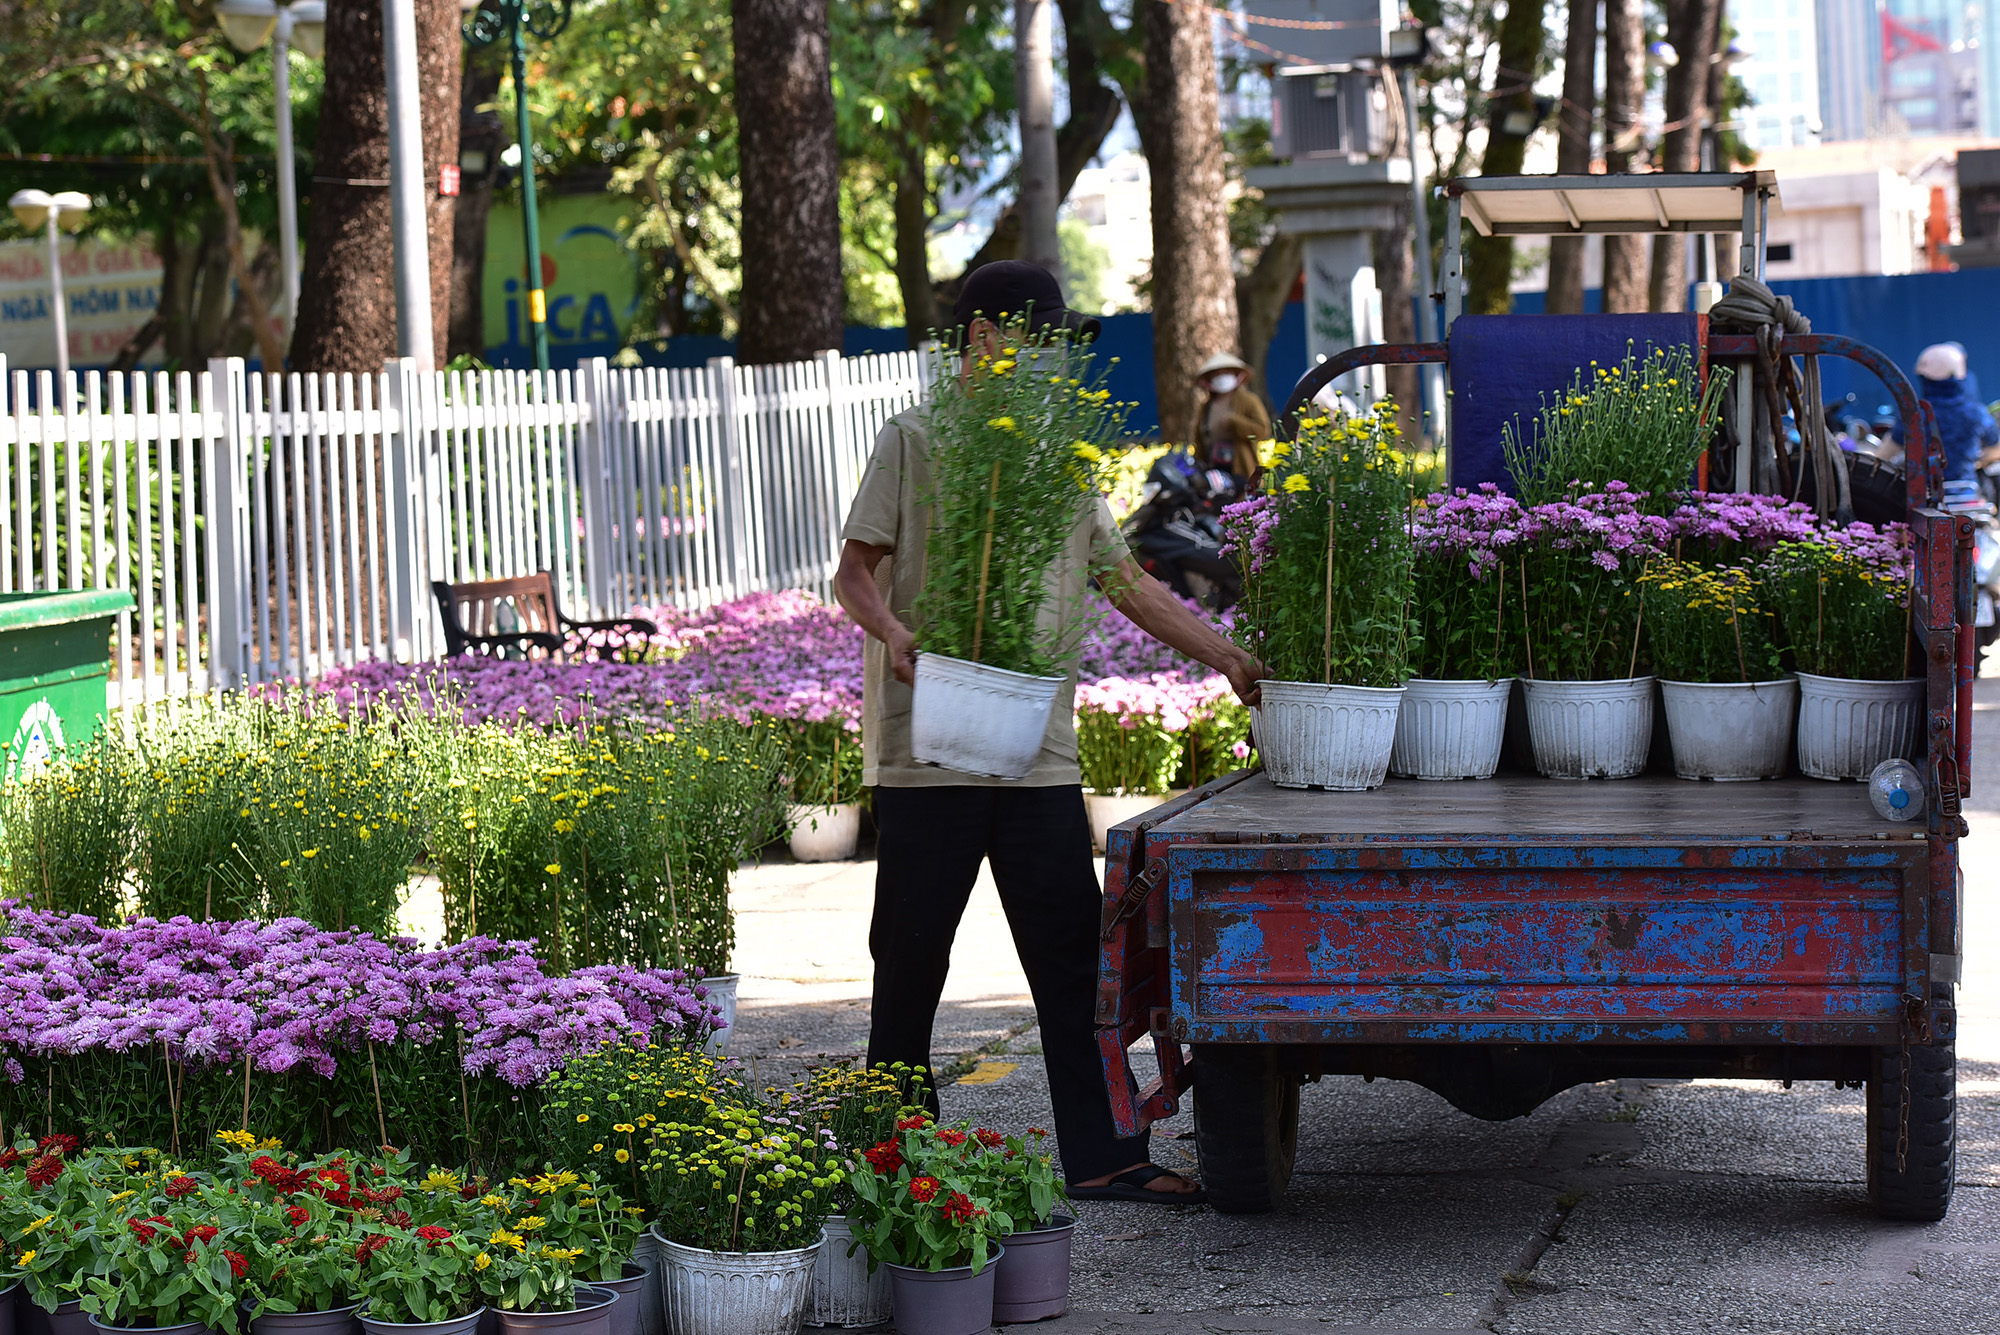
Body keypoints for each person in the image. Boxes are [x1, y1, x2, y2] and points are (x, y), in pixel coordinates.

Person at [833, 260, 1263, 1205]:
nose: (1047, 363)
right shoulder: (911, 439)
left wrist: (1226, 656)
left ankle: (1106, 1156)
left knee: (1071, 963)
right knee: (910, 964)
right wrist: (897, 630)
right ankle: (892, 1159)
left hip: (1034, 756)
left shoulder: (1058, 466)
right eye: (1034, 340)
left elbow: (1132, 583)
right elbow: (853, 571)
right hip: (926, 755)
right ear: (983, 340)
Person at [1912, 342, 1998, 486]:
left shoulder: (1916, 414)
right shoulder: (1976, 412)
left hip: (1923, 499)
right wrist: (1979, 462)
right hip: (1966, 495)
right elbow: (1995, 447)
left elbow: (1886, 453)